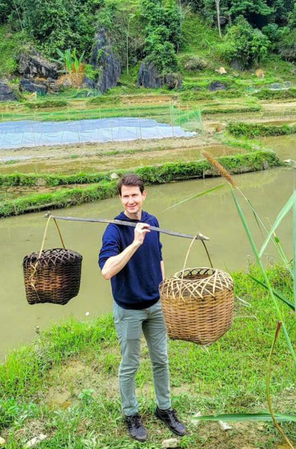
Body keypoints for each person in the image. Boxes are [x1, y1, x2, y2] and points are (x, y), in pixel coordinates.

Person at [98, 173, 187, 442]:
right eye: (125, 196)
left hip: (156, 305)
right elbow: (106, 270)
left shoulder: (152, 221)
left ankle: (164, 409)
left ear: (144, 195)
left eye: (135, 195)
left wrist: (164, 290)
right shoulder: (114, 229)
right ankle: (131, 414)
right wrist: (135, 242)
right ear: (120, 198)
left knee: (161, 359)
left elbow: (158, 256)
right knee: (130, 364)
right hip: (129, 309)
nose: (130, 200)